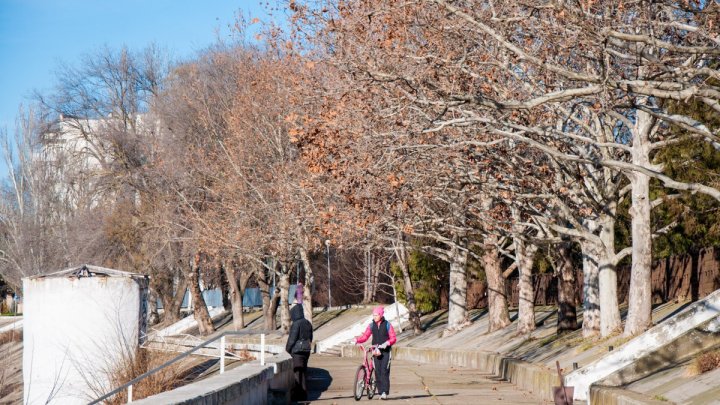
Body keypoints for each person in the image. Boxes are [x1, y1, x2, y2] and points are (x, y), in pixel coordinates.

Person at [354, 305, 397, 400]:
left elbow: (393, 338)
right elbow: (365, 336)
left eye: (376, 315)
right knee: (377, 371)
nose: (374, 317)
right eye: (373, 315)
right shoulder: (371, 325)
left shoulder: (387, 325)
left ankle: (385, 392)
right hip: (375, 351)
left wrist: (387, 343)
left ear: (381, 315)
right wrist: (358, 340)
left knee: (384, 371)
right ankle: (381, 392)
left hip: (385, 351)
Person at [286, 303, 313, 401]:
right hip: (306, 351)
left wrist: (287, 349)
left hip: (297, 352)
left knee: (298, 373)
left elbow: (292, 339)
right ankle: (304, 395)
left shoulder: (296, 324)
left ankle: (299, 396)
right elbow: (310, 338)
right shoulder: (308, 323)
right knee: (303, 372)